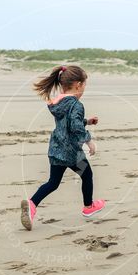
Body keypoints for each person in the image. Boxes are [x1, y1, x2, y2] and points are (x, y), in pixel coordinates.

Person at [20, 65, 105, 230]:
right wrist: (88, 140)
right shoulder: (76, 105)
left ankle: (31, 204)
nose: (84, 89)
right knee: (87, 175)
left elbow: (68, 122)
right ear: (78, 85)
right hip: (72, 152)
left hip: (56, 149)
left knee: (53, 183)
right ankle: (88, 207)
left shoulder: (58, 103)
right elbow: (75, 127)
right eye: (85, 86)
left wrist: (87, 121)